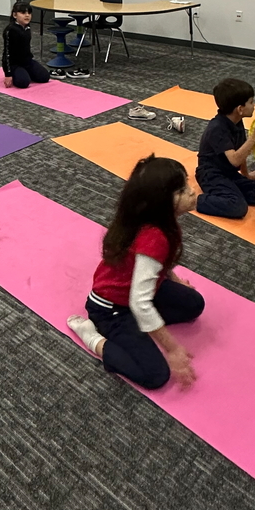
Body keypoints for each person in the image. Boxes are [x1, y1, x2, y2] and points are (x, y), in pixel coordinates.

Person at [67, 156, 204, 391]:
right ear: (161, 202)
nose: (192, 192)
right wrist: (172, 348)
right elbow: (140, 303)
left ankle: (139, 324)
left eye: (187, 184)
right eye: (182, 190)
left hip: (136, 293)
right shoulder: (155, 237)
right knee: (155, 375)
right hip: (109, 308)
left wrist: (175, 280)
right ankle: (92, 336)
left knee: (193, 304)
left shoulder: (161, 223)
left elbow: (155, 265)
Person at [194, 78, 255, 218]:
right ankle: (195, 201)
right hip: (211, 174)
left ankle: (231, 192)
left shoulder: (237, 121)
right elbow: (235, 160)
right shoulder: (217, 128)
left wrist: (246, 175)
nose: (254, 105)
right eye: (251, 102)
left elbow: (241, 152)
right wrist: (254, 138)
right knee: (238, 208)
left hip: (230, 174)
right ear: (240, 109)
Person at [2, 1, 50, 89]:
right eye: (23, 13)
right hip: (14, 63)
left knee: (45, 77)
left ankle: (25, 72)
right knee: (23, 83)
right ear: (15, 15)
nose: (27, 15)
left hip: (27, 61)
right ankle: (18, 73)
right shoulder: (10, 30)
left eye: (29, 13)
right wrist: (8, 74)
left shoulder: (27, 27)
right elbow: (7, 53)